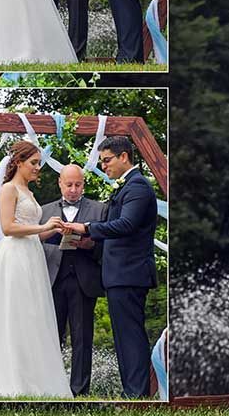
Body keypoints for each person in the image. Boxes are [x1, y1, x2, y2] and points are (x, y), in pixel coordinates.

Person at [0, 140, 72, 398]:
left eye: (39, 164)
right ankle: (7, 378)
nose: (37, 169)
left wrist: (52, 230)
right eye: (33, 163)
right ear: (18, 162)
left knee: (32, 315)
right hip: (14, 258)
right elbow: (8, 228)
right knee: (14, 314)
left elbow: (31, 233)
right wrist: (43, 227)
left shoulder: (30, 193)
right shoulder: (9, 190)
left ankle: (33, 377)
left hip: (32, 256)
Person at [60, 137, 157, 397]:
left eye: (106, 160)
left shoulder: (138, 187)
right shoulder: (127, 187)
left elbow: (126, 225)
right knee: (123, 338)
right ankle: (131, 392)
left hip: (130, 273)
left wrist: (87, 227)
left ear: (124, 156)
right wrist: (91, 242)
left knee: (131, 335)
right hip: (119, 275)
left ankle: (136, 395)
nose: (103, 166)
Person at [39, 164, 107, 397]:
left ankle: (79, 391)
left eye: (78, 185)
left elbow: (108, 247)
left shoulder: (100, 210)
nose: (73, 190)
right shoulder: (44, 211)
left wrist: (90, 245)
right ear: (60, 183)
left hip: (83, 281)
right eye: (69, 184)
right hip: (53, 280)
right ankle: (51, 390)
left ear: (83, 184)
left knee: (82, 339)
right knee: (51, 337)